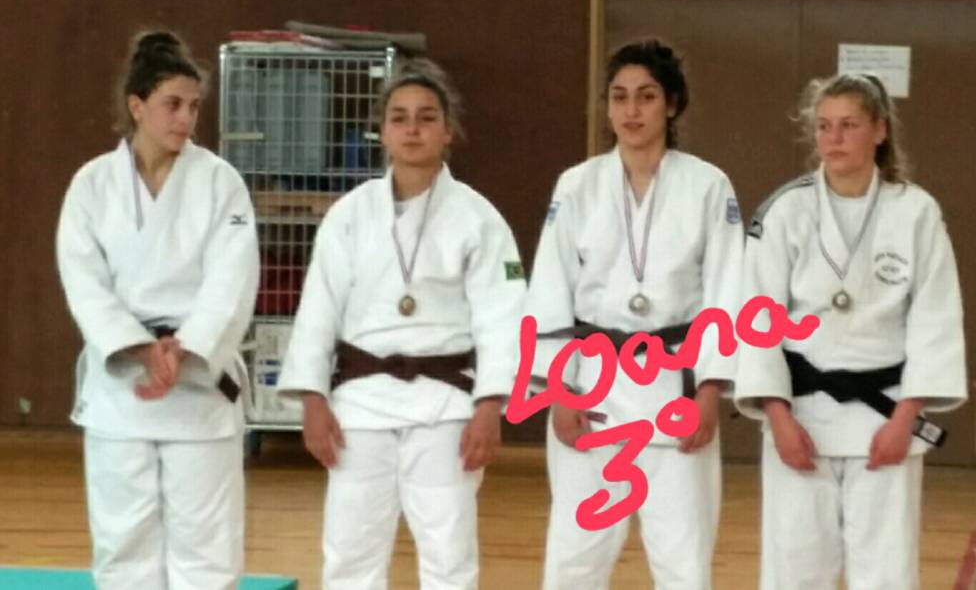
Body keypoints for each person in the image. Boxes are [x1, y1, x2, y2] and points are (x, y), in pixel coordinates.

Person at [276, 58, 526, 590]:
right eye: (399, 118)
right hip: (359, 405)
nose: (413, 129)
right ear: (383, 131)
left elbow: (503, 318)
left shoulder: (479, 218)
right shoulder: (349, 214)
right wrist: (313, 400)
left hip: (445, 405)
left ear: (448, 130)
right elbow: (318, 310)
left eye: (426, 117)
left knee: (449, 555)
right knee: (350, 554)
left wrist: (490, 406)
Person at [526, 39, 744, 589]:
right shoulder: (577, 185)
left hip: (675, 388)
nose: (631, 110)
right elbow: (550, 289)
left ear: (672, 104)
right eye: (619, 97)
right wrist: (559, 390)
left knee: (683, 563)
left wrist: (711, 389)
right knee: (574, 560)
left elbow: (727, 291)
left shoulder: (708, 186)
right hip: (591, 387)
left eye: (646, 96)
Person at [735, 73, 966, 590]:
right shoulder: (785, 211)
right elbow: (758, 320)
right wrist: (777, 416)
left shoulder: (915, 211)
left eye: (849, 125)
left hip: (885, 417)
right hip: (801, 417)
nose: (833, 138)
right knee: (794, 572)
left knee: (886, 574)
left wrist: (906, 416)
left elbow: (934, 318)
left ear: (880, 130)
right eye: (823, 126)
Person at [55, 30, 259, 590]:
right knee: (124, 548)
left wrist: (184, 350)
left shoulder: (220, 183)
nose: (186, 118)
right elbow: (84, 283)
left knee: (207, 552)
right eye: (173, 104)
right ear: (137, 106)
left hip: (199, 384)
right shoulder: (92, 185)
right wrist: (141, 349)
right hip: (123, 386)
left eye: (194, 106)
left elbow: (232, 282)